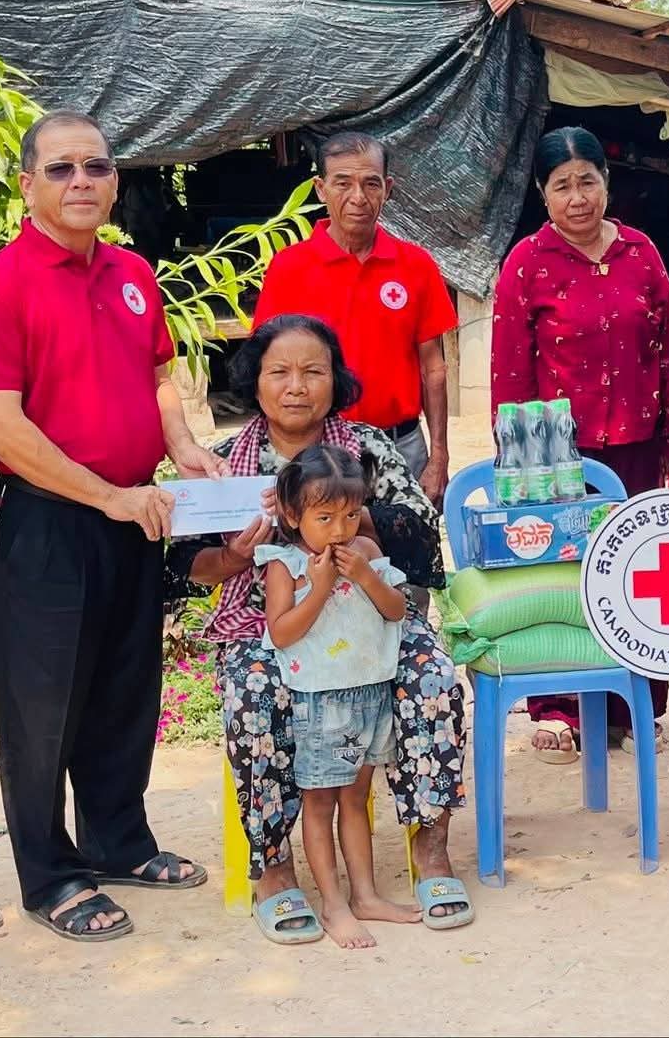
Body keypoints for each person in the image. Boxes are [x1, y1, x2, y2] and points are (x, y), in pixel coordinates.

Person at [0, 110, 222, 941]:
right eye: (61, 168)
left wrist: (184, 447)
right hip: (50, 521)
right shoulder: (0, 287)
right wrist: (105, 495)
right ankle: (51, 875)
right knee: (45, 704)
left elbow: (158, 376)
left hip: (136, 509)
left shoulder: (132, 273)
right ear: (26, 185)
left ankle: (118, 841)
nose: (81, 182)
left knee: (125, 688)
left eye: (96, 167)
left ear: (114, 182)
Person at [172, 314, 472, 937]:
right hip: (269, 622)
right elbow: (183, 566)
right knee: (254, 695)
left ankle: (431, 847)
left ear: (336, 380)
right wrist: (235, 556)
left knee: (433, 678)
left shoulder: (366, 448)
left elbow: (420, 537)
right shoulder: (224, 465)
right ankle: (274, 869)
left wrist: (349, 521)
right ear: (254, 380)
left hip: (367, 612)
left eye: (314, 371)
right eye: (279, 372)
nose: (296, 386)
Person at [491, 127, 669, 759]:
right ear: (542, 192)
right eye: (562, 186)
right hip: (557, 459)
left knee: (637, 573)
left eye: (587, 181)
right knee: (564, 576)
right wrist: (517, 455)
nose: (577, 197)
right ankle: (561, 707)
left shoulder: (641, 252)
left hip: (637, 446)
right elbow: (510, 371)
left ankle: (635, 705)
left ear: (606, 182)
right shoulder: (527, 262)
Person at [258, 445, 425, 948]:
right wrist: (321, 586)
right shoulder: (285, 565)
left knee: (356, 799)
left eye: (351, 515)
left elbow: (396, 611)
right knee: (320, 804)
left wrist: (366, 577)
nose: (340, 530)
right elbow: (282, 632)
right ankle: (333, 905)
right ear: (293, 515)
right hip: (322, 703)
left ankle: (365, 895)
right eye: (325, 517)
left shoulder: (366, 552)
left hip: (371, 693)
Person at [255, 131, 455, 503]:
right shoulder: (289, 268)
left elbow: (433, 368)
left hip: (402, 446)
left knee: (407, 538)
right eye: (343, 183)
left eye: (371, 184)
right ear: (321, 189)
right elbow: (267, 367)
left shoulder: (416, 265)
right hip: (318, 453)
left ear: (388, 189)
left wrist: (439, 455)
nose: (358, 197)